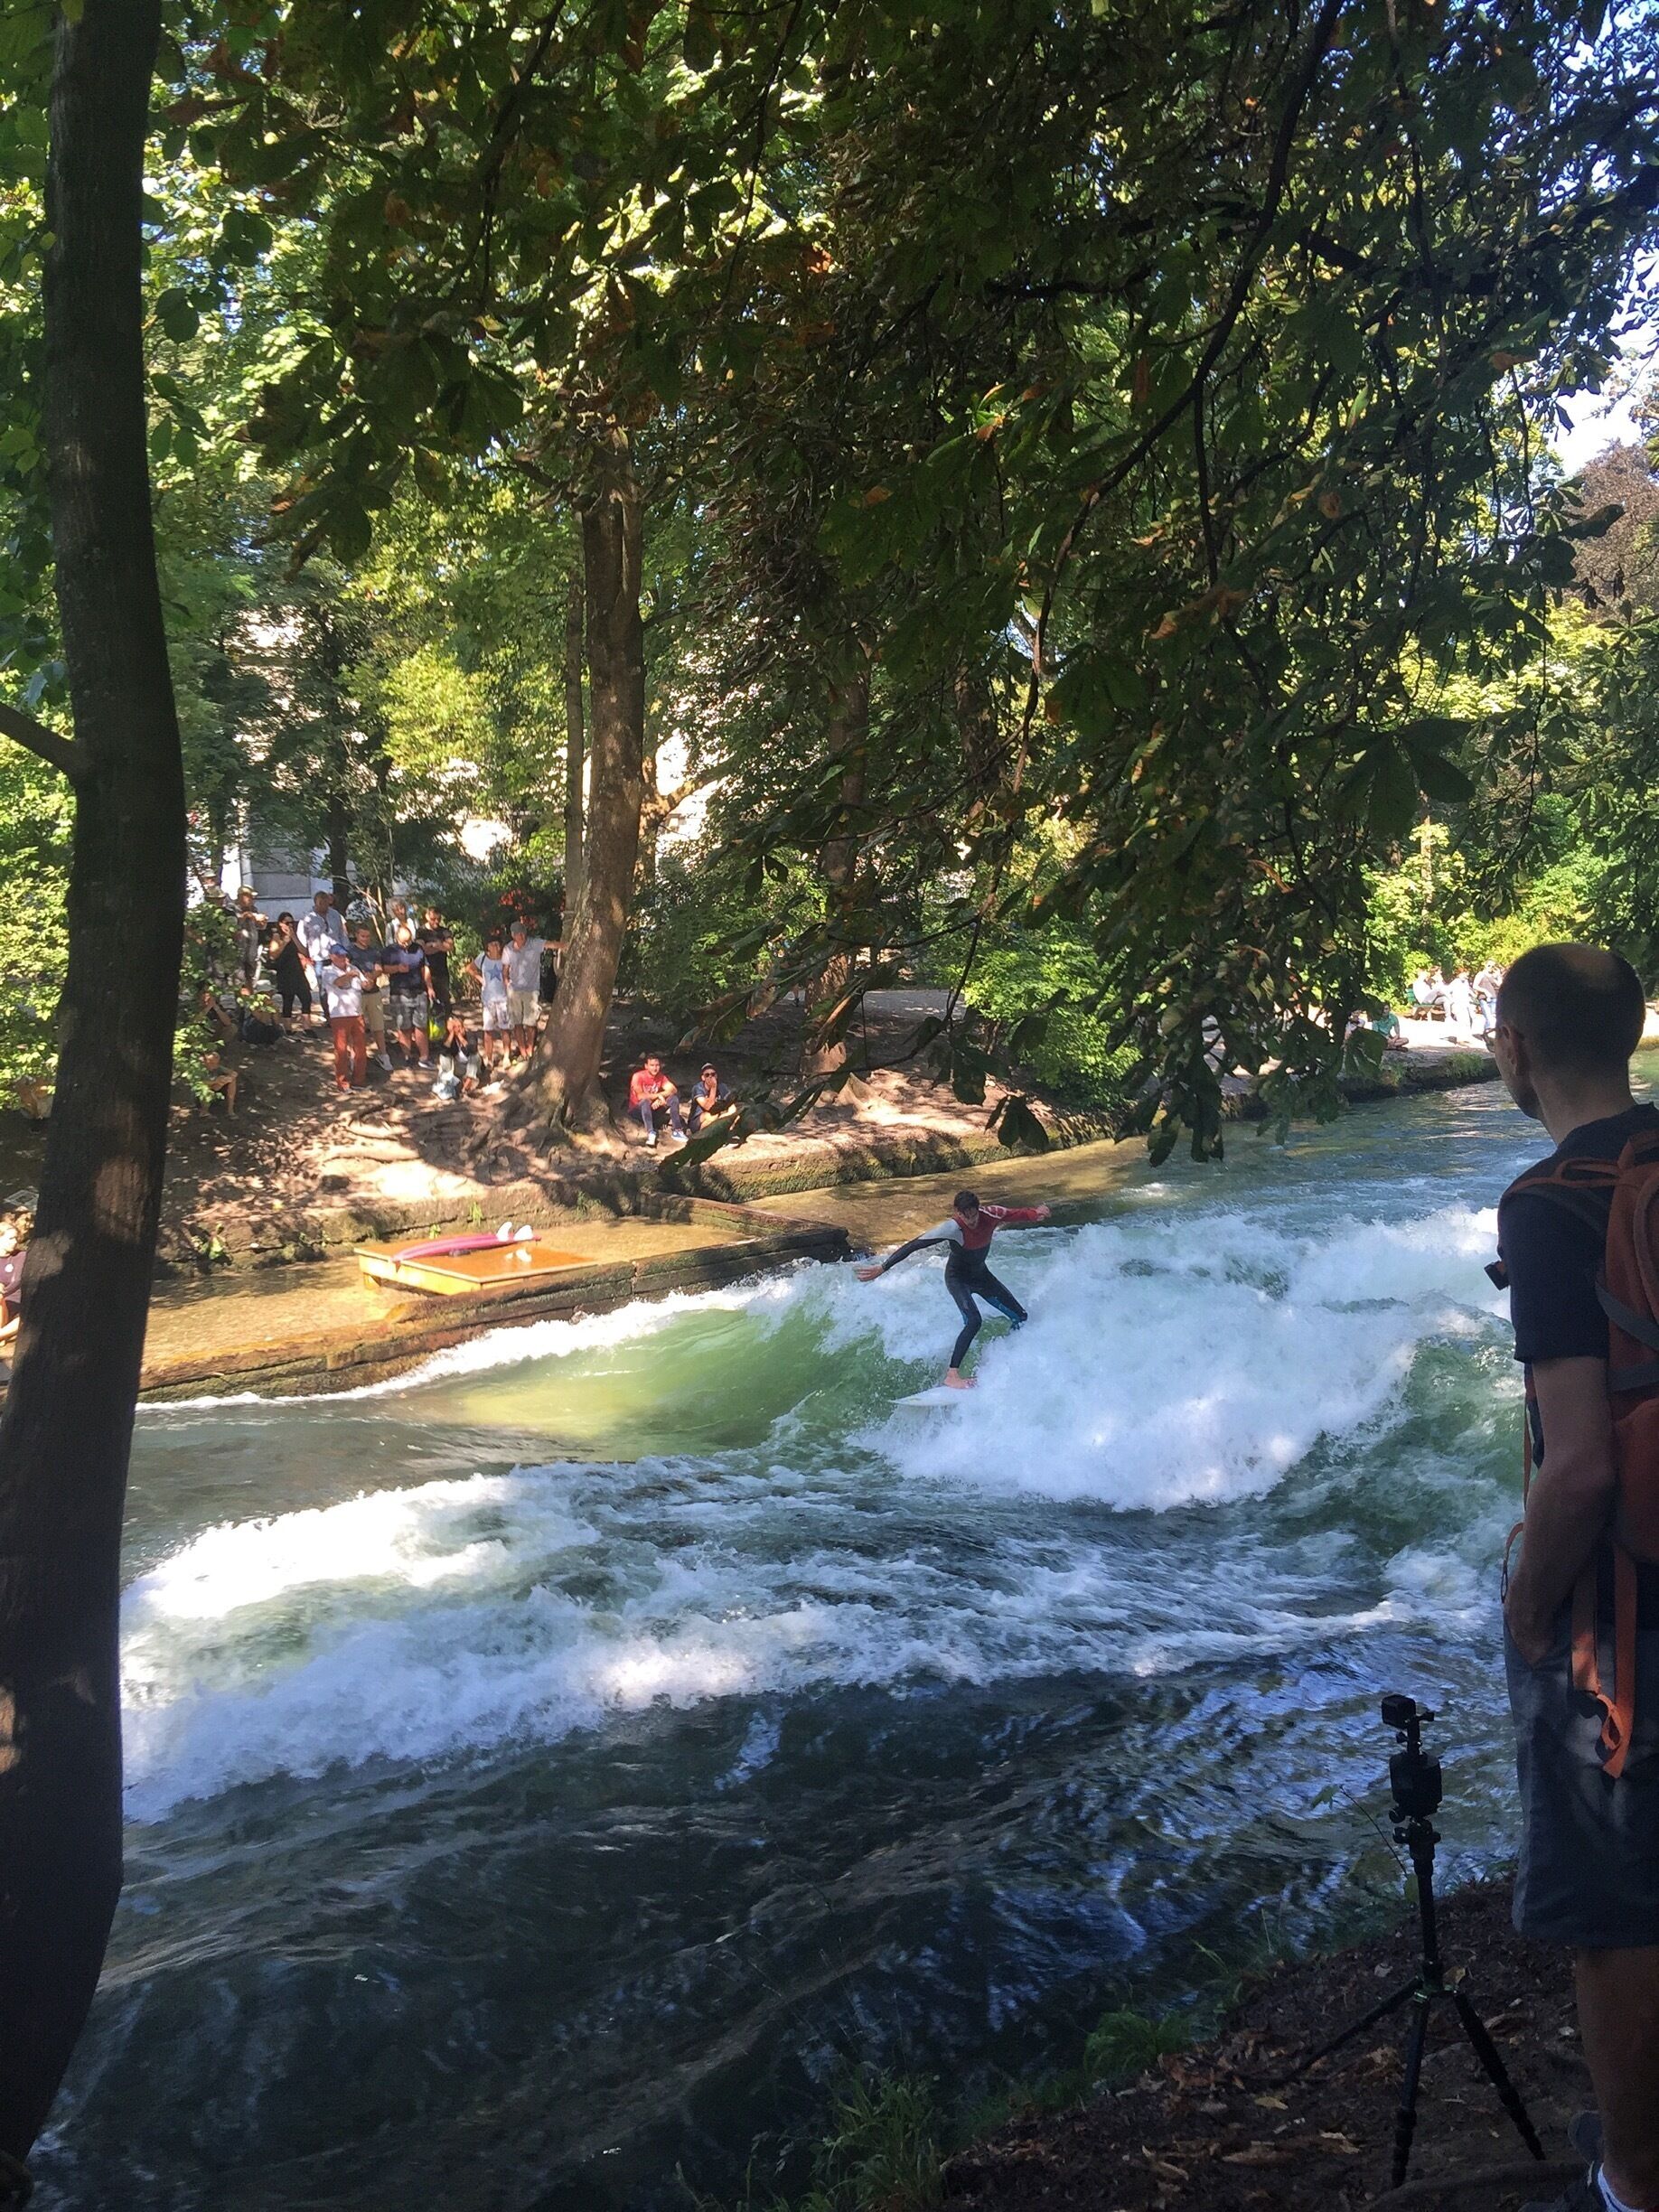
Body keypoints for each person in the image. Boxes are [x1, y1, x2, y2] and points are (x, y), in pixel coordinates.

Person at [1489, 943, 1659, 2212]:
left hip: (1628, 1616)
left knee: (1619, 1906)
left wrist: (1528, 1606)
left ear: (1516, 1047)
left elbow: (1582, 1466)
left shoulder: (1547, 1203)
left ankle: (1636, 2180)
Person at [856, 1188, 1052, 1388]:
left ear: (978, 1209)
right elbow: (914, 1245)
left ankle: (1010, 1355)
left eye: (974, 1215)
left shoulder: (992, 1213)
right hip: (957, 1279)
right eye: (965, 1217)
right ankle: (952, 1375)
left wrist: (1036, 1213)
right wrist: (882, 1267)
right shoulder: (952, 1228)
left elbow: (1015, 1214)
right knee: (974, 1321)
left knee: (1021, 1318)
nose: (971, 1221)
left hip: (982, 1276)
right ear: (958, 1213)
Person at [384, 923, 431, 1068]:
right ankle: (407, 1057)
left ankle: (424, 1057)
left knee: (421, 1025)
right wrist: (397, 968)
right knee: (404, 1027)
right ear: (397, 938)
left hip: (419, 991)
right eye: (403, 941)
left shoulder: (418, 949)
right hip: (400, 993)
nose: (406, 944)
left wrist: (429, 987)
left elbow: (425, 968)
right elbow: (383, 969)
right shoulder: (390, 951)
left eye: (409, 941)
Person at [349, 922, 394, 1073]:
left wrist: (372, 977)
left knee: (378, 1026)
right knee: (356, 1027)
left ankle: (383, 1055)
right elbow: (347, 969)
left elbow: (379, 969)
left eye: (368, 936)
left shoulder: (374, 951)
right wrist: (361, 980)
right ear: (356, 935)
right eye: (363, 936)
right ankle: (354, 1056)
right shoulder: (350, 951)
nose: (366, 939)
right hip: (357, 993)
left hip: (374, 991)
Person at [322, 945, 368, 1091]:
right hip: (339, 1016)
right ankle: (342, 1083)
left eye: (344, 955)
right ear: (332, 957)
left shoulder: (353, 968)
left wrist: (369, 980)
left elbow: (365, 985)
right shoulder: (327, 971)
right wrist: (350, 975)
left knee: (360, 1049)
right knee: (341, 1050)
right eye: (339, 955)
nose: (343, 958)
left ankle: (359, 1081)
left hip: (357, 1013)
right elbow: (338, 982)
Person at [296, 891, 346, 1017]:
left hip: (337, 955)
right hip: (319, 958)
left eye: (326, 902)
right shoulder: (307, 918)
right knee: (324, 987)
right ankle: (328, 1015)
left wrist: (347, 951)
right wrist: (305, 956)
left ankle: (340, 1012)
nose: (324, 905)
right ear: (315, 903)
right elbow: (302, 939)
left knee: (341, 983)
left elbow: (342, 934)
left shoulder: (335, 915)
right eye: (321, 902)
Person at [503, 919, 547, 1060]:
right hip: (514, 990)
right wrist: (507, 983)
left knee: (531, 1022)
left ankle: (530, 1049)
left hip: (531, 989)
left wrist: (568, 945)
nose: (521, 936)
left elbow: (551, 944)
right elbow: (505, 969)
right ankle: (523, 1051)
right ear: (513, 935)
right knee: (517, 1023)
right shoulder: (508, 949)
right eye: (518, 934)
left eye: (523, 934)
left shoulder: (534, 944)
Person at [473, 934, 512, 1072]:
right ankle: (489, 1059)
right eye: (492, 944)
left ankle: (507, 1057)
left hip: (503, 999)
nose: (496, 947)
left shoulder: (505, 959)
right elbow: (469, 968)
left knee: (505, 1029)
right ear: (487, 947)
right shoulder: (482, 958)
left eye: (497, 944)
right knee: (488, 1031)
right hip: (488, 1000)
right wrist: (480, 979)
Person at [267, 912, 310, 1029]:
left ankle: (307, 1027)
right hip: (285, 972)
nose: (290, 925)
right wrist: (284, 942)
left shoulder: (294, 936)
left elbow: (304, 952)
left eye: (292, 923)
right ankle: (288, 1027)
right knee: (288, 999)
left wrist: (294, 937)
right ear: (280, 924)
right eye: (287, 923)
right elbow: (273, 955)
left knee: (306, 997)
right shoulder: (277, 937)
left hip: (297, 971)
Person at [628, 1055, 683, 1148]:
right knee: (645, 1102)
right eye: (652, 1065)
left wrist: (660, 1099)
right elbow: (640, 1096)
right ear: (646, 1066)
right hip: (637, 1110)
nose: (655, 1068)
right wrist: (659, 1096)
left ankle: (677, 1130)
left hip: (653, 1109)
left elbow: (673, 1089)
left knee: (673, 1098)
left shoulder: (661, 1077)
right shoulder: (638, 1076)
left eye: (657, 1065)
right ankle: (651, 1133)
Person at [417, 906, 455, 1031]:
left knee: (445, 1005)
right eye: (433, 919)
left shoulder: (445, 931)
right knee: (427, 1006)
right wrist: (440, 946)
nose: (436, 922)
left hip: (442, 973)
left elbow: (449, 947)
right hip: (425, 973)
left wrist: (434, 945)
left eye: (438, 919)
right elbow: (423, 949)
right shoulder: (421, 932)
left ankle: (447, 1036)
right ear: (427, 917)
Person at [232, 887, 267, 989]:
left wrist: (261, 922)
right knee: (239, 980)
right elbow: (231, 927)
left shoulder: (254, 909)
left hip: (252, 951)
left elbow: (259, 927)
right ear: (241, 897)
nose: (252, 899)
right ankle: (241, 1003)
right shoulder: (232, 908)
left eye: (253, 897)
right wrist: (244, 916)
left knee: (251, 979)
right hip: (239, 951)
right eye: (250, 897)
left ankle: (250, 1001)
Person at [688, 1063, 736, 1133]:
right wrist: (713, 1088)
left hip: (718, 1117)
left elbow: (731, 1105)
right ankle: (701, 1137)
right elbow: (708, 1107)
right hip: (697, 1121)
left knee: (734, 1112)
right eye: (707, 1075)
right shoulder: (698, 1088)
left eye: (713, 1074)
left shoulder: (722, 1087)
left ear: (716, 1076)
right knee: (712, 1116)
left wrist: (726, 1116)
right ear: (703, 1078)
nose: (710, 1076)